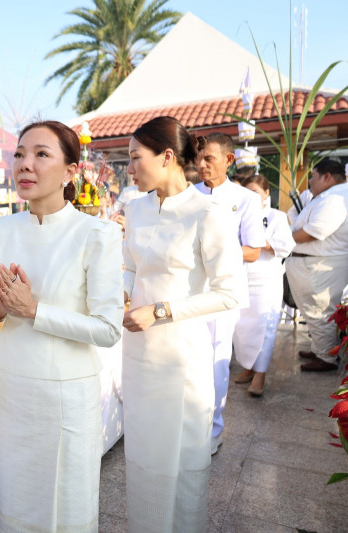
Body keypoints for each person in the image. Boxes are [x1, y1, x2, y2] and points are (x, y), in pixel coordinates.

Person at [0, 120, 124, 532]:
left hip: (65, 395)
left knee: (65, 507)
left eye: (42, 154)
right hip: (9, 388)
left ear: (71, 171)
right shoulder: (0, 230)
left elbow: (108, 329)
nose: (26, 164)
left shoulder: (97, 234)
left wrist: (33, 309)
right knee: (13, 502)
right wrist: (3, 306)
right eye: (20, 154)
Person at [122, 116, 242, 532]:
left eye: (135, 157)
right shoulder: (136, 208)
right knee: (142, 455)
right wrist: (122, 294)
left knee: (182, 462)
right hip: (137, 352)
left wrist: (159, 311)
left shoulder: (208, 213)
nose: (130, 168)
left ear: (167, 156)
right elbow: (131, 267)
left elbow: (230, 293)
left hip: (181, 357)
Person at [195, 132, 265, 454]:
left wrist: (213, 250)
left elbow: (253, 250)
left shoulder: (246, 199)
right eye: (199, 158)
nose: (202, 164)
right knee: (189, 359)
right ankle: (189, 424)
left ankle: (213, 430)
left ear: (229, 159)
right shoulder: (189, 194)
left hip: (223, 291)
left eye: (209, 158)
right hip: (190, 289)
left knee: (216, 361)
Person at [232, 174, 295, 396]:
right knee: (242, 328)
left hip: (266, 281)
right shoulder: (236, 215)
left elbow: (286, 246)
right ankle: (249, 367)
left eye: (255, 192)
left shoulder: (277, 216)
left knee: (264, 328)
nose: (250, 197)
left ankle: (260, 375)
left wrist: (261, 242)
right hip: (241, 278)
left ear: (266, 193)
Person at [286, 159, 348, 371]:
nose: (310, 181)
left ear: (327, 176)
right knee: (316, 312)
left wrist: (284, 238)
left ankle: (326, 358)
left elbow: (314, 232)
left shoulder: (335, 198)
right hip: (314, 263)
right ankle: (321, 349)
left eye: (313, 176)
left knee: (319, 311)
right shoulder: (330, 195)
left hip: (318, 265)